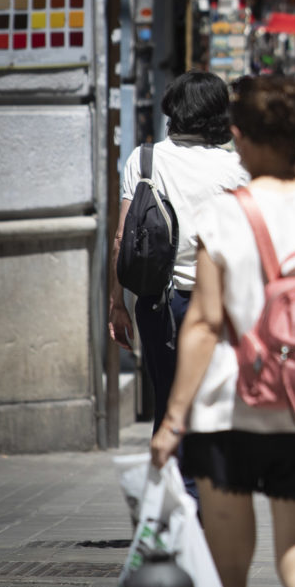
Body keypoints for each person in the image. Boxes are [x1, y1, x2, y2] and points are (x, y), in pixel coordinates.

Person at [150, 75, 295, 587]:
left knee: (227, 571)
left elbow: (203, 322)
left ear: (240, 137)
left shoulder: (224, 214)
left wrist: (172, 421)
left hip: (229, 406)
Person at [109, 69, 248, 439]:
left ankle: (171, 483)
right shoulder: (236, 167)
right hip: (219, 305)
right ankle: (208, 490)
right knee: (214, 407)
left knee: (169, 403)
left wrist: (117, 301)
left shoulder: (145, 160)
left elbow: (123, 238)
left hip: (158, 305)